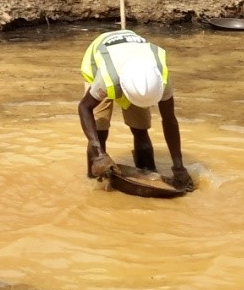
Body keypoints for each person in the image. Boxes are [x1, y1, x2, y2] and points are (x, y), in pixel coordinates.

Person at [77, 29, 194, 191]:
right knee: (99, 130)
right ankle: (95, 178)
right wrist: (98, 153)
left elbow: (169, 120)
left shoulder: (160, 78)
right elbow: (84, 107)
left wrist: (179, 167)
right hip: (100, 64)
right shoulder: (107, 79)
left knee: (140, 128)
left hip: (135, 68)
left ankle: (148, 172)